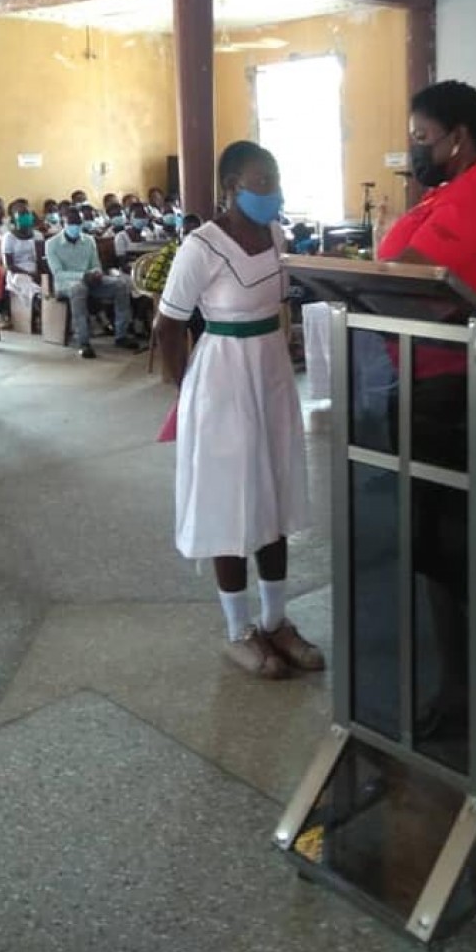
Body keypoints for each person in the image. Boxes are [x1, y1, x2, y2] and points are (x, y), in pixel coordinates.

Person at [376, 80, 476, 789]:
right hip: (430, 378)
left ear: (459, 137)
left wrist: (389, 252)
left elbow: (402, 272)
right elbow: (389, 264)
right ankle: (456, 692)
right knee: (433, 543)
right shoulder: (443, 197)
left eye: (422, 136)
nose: (413, 148)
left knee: (473, 546)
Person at [155, 142, 322, 680]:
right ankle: (238, 630)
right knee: (229, 501)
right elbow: (167, 326)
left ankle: (275, 621)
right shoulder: (201, 246)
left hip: (271, 373)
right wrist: (188, 391)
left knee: (274, 491)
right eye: (261, 182)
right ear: (231, 187)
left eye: (275, 180)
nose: (272, 191)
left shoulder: (275, 236)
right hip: (222, 377)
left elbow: (281, 304)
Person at [44, 205, 137, 359]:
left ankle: (121, 335)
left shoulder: (89, 240)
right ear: (63, 223)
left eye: (77, 222)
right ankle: (83, 342)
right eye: (71, 223)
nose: (75, 226)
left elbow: (95, 265)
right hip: (66, 284)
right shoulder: (52, 244)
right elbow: (58, 273)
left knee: (121, 285)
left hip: (91, 281)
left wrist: (96, 273)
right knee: (78, 289)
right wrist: (83, 275)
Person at [3, 201, 41, 292]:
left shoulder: (38, 235)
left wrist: (39, 272)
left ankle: (39, 295)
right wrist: (29, 274)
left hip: (36, 270)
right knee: (20, 280)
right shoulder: (8, 237)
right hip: (17, 272)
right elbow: (9, 265)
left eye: (27, 213)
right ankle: (37, 295)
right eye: (21, 214)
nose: (25, 216)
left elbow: (41, 259)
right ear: (13, 218)